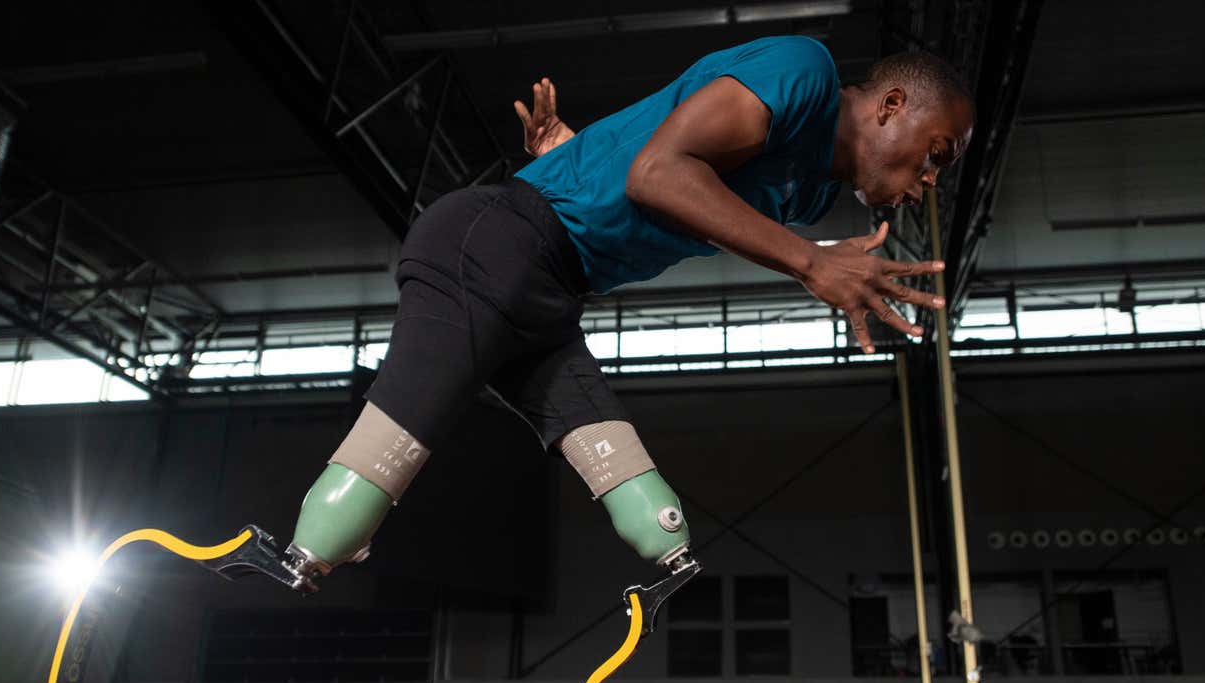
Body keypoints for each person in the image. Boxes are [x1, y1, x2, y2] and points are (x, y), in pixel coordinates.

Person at [268, 36, 975, 593]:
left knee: (617, 462)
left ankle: (670, 558)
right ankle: (307, 551)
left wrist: (576, 161)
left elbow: (653, 193)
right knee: (412, 416)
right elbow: (658, 173)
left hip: (551, 288)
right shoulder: (803, 71)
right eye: (935, 155)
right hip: (494, 248)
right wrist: (813, 261)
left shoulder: (806, 196)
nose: (930, 183)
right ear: (889, 105)